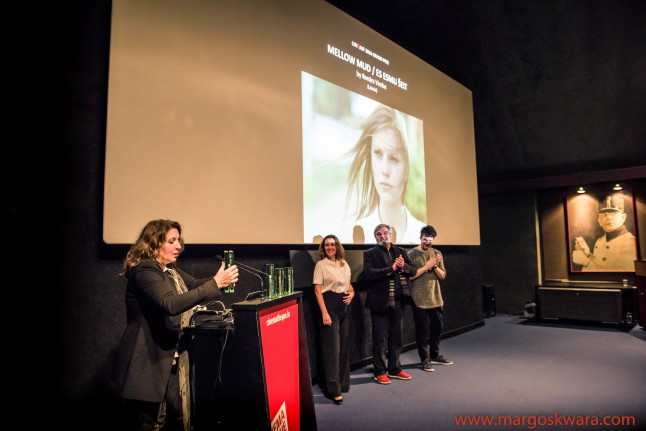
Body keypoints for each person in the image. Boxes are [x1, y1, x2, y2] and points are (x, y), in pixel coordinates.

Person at [112, 219, 239, 431]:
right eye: (171, 241)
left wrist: (220, 281)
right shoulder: (145, 270)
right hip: (143, 360)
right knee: (147, 423)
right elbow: (170, 303)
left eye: (178, 240)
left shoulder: (169, 270)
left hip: (159, 357)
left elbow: (194, 286)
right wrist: (215, 284)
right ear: (154, 244)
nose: (178, 246)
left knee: (158, 420)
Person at [345, 104, 425, 244]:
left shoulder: (422, 234)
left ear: (407, 168)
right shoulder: (355, 235)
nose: (385, 170)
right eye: (378, 153)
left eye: (394, 158)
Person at [362, 223, 417, 384]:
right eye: (379, 234)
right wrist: (391, 269)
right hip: (379, 302)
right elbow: (369, 273)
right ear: (375, 237)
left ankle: (395, 369)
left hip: (398, 301)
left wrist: (403, 266)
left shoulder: (400, 251)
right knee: (379, 339)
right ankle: (379, 371)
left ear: (391, 235)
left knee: (396, 337)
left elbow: (413, 270)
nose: (382, 236)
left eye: (385, 233)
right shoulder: (370, 253)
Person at [313, 234, 355, 405]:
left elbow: (349, 285)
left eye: (332, 244)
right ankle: (333, 390)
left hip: (343, 307)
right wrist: (324, 313)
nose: (330, 247)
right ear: (323, 248)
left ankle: (342, 384)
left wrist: (352, 293)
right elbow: (317, 290)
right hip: (329, 306)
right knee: (332, 351)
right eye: (327, 245)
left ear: (337, 246)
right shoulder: (321, 265)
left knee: (343, 349)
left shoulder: (344, 264)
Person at [407, 225, 453, 372]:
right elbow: (411, 276)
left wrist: (435, 266)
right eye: (425, 240)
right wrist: (427, 266)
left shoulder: (437, 253)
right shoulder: (411, 254)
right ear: (420, 238)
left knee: (437, 327)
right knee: (422, 330)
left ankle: (434, 355)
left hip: (436, 297)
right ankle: (425, 359)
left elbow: (442, 275)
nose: (427, 243)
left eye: (430, 240)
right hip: (419, 298)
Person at [572, 194, 637, 271]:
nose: (608, 217)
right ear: (599, 221)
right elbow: (600, 266)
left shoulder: (630, 242)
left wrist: (586, 262)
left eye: (614, 213)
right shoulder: (600, 240)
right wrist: (588, 255)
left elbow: (620, 274)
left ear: (623, 217)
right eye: (604, 215)